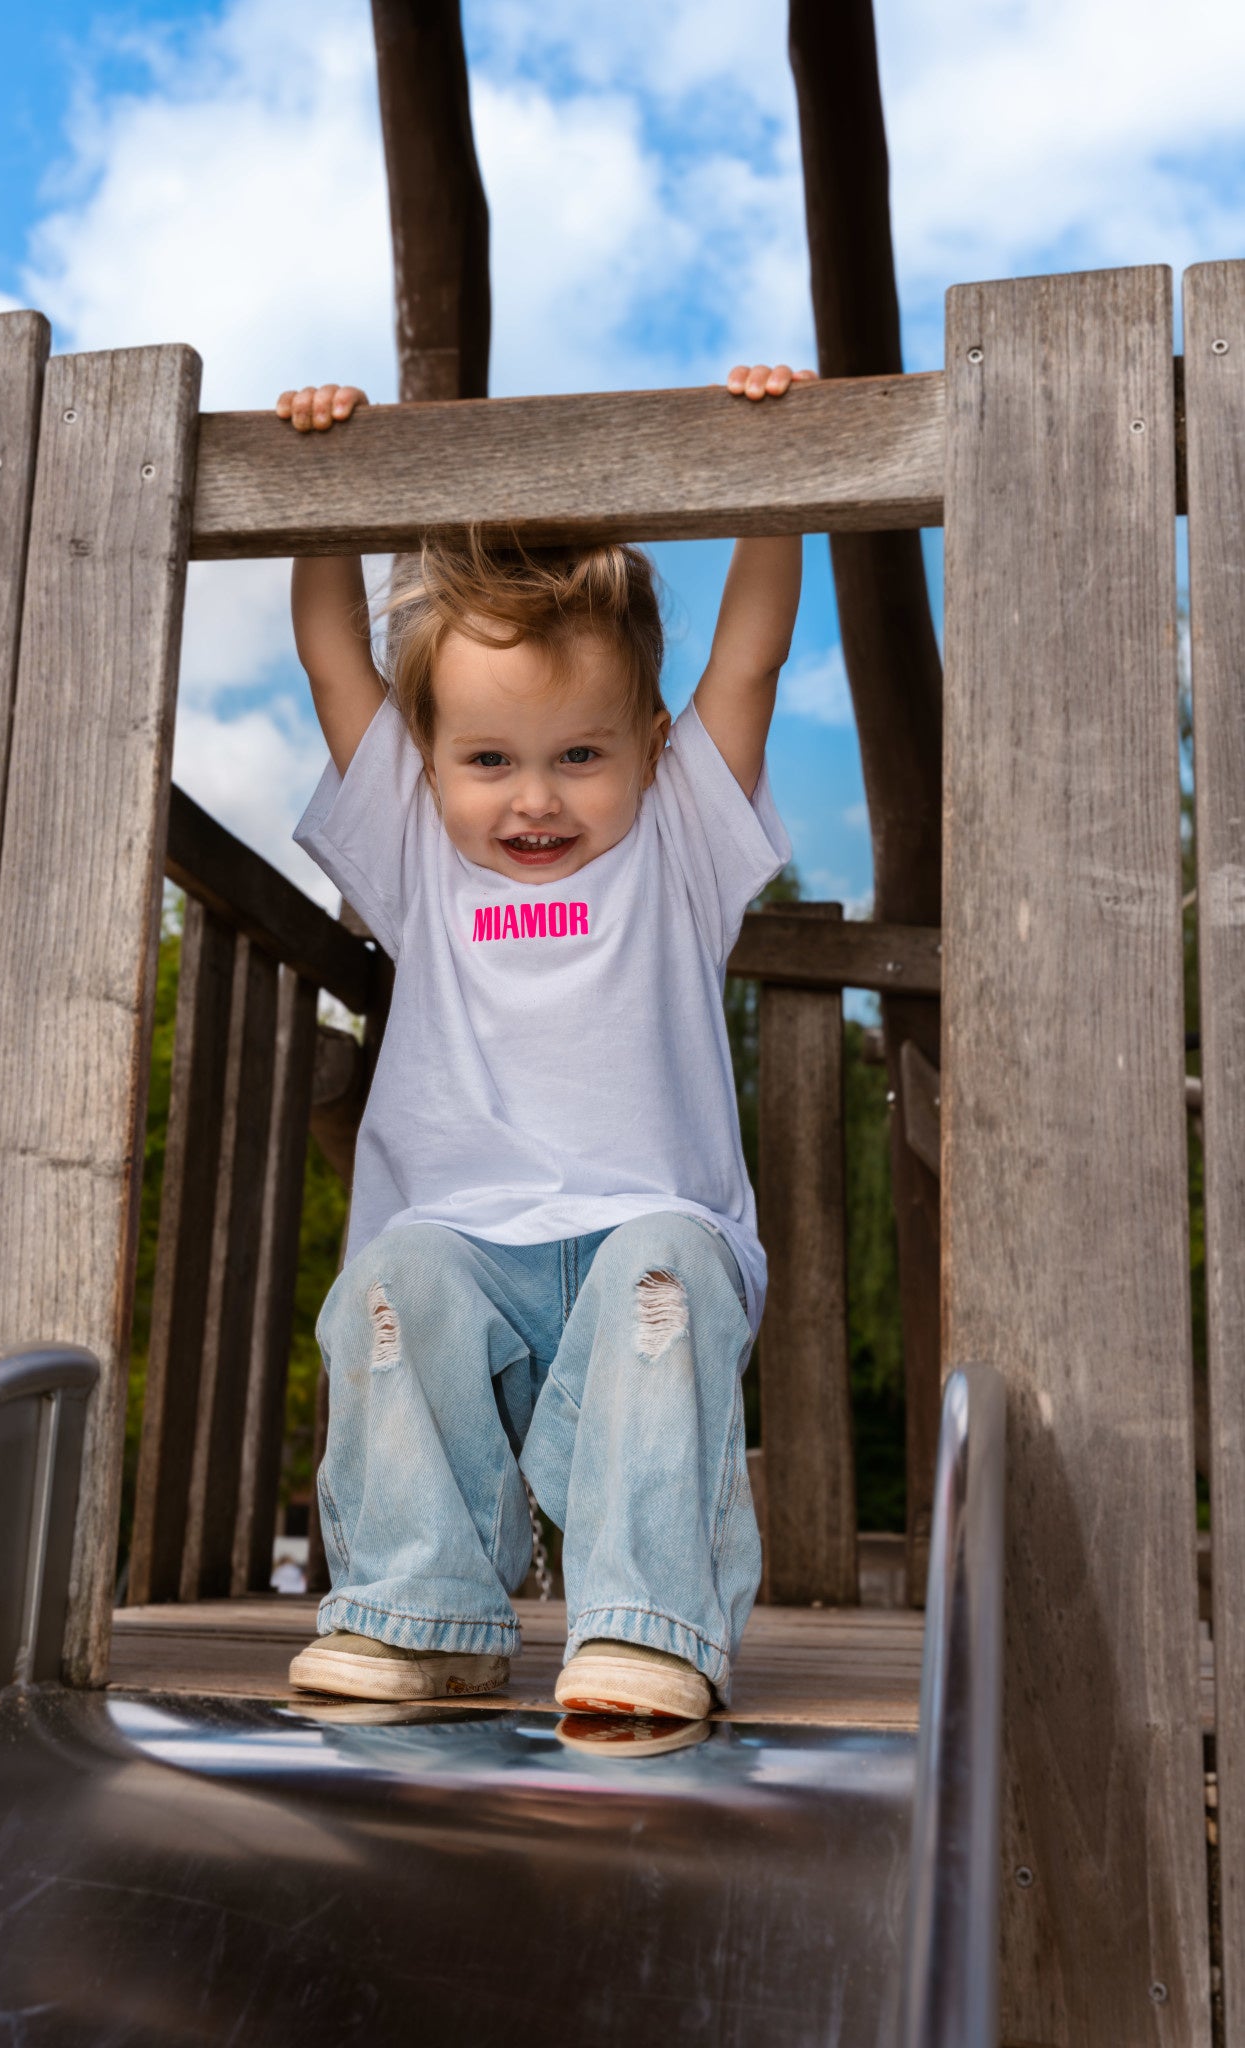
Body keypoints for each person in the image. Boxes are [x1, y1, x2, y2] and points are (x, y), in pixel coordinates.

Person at [278, 362, 815, 1722]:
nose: (533, 799)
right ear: (427, 759)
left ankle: (645, 1627)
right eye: (488, 761)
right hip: (463, 1236)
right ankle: (421, 1612)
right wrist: (324, 490)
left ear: (646, 748)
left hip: (646, 1232)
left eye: (578, 756)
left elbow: (745, 656)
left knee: (661, 1272)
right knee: (393, 1283)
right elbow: (334, 656)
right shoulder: (410, 843)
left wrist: (775, 477)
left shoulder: (679, 838)